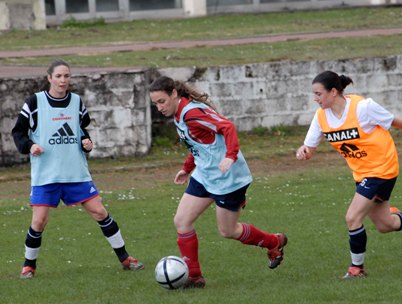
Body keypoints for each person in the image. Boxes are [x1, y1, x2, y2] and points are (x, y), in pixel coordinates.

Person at [296, 70, 402, 279]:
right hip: (362, 174)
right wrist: (303, 151)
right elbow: (309, 148)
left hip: (382, 168)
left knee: (352, 217)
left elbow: (394, 120)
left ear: (333, 92)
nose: (315, 98)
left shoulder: (362, 107)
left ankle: (357, 269)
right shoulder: (321, 117)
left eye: (318, 93)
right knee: (386, 224)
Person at [149, 76, 287, 288]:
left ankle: (273, 242)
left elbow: (228, 127)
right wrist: (187, 168)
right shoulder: (179, 113)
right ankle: (194, 277)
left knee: (228, 231)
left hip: (228, 178)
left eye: (162, 101)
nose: (159, 107)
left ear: (174, 94)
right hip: (205, 174)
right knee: (182, 221)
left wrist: (231, 155)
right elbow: (198, 144)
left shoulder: (191, 113)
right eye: (155, 103)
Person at [11, 59, 144, 279]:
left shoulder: (76, 102)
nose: (63, 80)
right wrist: (29, 146)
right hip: (46, 175)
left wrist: (87, 143)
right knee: (39, 221)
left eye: (67, 76)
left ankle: (125, 258)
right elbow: (18, 133)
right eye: (59, 76)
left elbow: (81, 130)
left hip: (75, 172)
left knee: (100, 212)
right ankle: (28, 266)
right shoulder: (34, 102)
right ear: (49, 78)